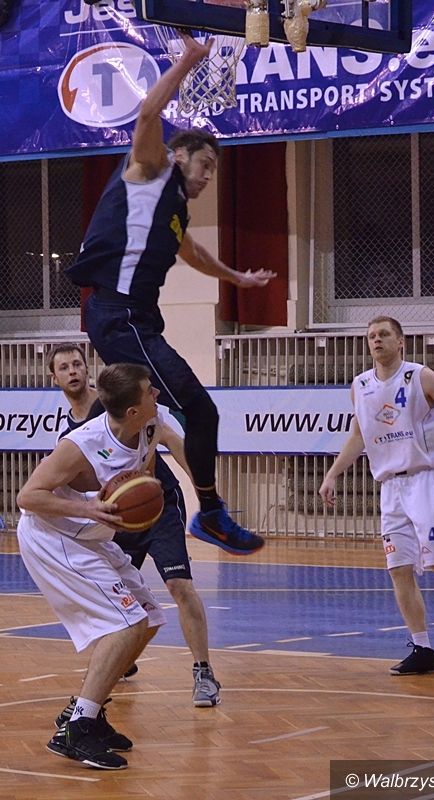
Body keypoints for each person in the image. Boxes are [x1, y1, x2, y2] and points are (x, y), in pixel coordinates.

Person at [66, 33, 275, 557]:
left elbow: (192, 251)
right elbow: (146, 116)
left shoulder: (174, 208)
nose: (208, 177)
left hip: (133, 319)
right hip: (117, 314)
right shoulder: (150, 169)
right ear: (180, 156)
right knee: (198, 410)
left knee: (152, 414)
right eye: (205, 165)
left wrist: (237, 279)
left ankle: (125, 512)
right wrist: (187, 61)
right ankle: (211, 514)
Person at [16, 363, 182, 769]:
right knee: (128, 623)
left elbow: (155, 465)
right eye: (149, 390)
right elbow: (27, 496)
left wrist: (202, 498)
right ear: (132, 410)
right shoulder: (81, 444)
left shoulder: (149, 424)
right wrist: (88, 508)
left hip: (90, 536)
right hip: (53, 537)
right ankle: (77, 731)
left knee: (149, 616)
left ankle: (85, 710)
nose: (157, 393)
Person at [319, 316, 434, 675]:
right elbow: (358, 436)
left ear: (400, 341)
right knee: (399, 568)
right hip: (391, 486)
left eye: (384, 334)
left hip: (427, 479)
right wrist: (332, 474)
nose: (376, 340)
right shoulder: (360, 385)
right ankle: (423, 648)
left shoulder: (420, 377)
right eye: (371, 336)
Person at [47, 342, 221, 709]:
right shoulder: (71, 436)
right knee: (114, 598)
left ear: (88, 369)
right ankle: (118, 660)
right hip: (116, 517)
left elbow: (173, 440)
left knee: (178, 583)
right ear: (55, 378)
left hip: (156, 506)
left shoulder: (126, 402)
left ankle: (203, 671)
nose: (73, 371)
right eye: (64, 367)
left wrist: (206, 496)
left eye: (77, 363)